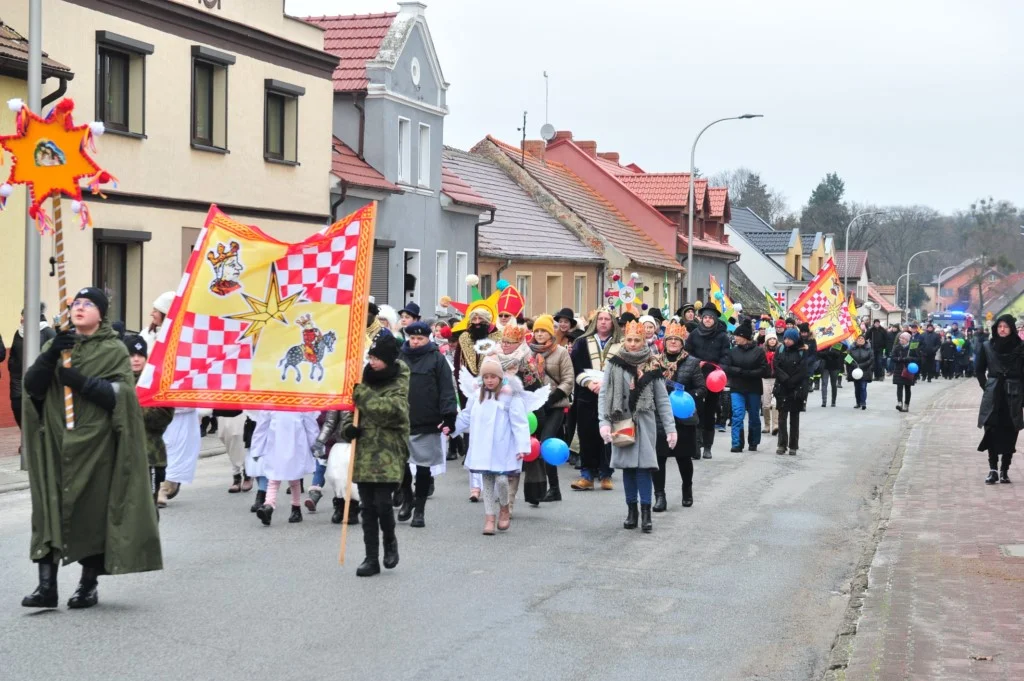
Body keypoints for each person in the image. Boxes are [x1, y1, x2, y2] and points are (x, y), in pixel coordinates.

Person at [21, 287, 161, 609]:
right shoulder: (57, 344)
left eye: (87, 304)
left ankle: (87, 585)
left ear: (101, 313)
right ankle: (47, 587)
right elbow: (33, 388)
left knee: (92, 512)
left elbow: (122, 396)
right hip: (57, 439)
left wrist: (81, 382)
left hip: (97, 445)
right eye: (76, 304)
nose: (79, 308)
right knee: (50, 508)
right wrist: (51, 354)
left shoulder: (113, 349)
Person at [323, 329, 410, 577]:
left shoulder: (398, 381)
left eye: (375, 358)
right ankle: (370, 558)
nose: (371, 362)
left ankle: (390, 543)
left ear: (387, 359)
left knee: (383, 504)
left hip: (388, 452)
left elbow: (392, 411)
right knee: (367, 508)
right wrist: (348, 427)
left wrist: (362, 394)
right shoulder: (365, 378)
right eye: (370, 358)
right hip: (363, 453)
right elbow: (352, 409)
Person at [599, 320, 676, 533]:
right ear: (625, 340)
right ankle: (631, 511)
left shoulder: (653, 363)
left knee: (644, 467)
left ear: (644, 341)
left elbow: (662, 400)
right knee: (628, 469)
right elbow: (605, 395)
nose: (632, 344)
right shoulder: (614, 363)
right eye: (629, 339)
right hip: (621, 420)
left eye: (637, 340)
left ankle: (646, 514)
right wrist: (604, 423)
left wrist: (671, 428)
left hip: (645, 422)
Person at [454, 355, 531, 533]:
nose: (489, 381)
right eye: (486, 377)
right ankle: (489, 517)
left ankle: (504, 507)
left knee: (502, 480)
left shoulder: (510, 396)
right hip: (482, 446)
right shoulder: (476, 395)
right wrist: (451, 428)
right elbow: (466, 416)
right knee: (487, 480)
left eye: (493, 377)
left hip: (502, 447)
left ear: (500, 377)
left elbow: (519, 423)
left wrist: (522, 447)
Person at [397, 321, 457, 528]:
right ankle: (407, 499)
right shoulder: (399, 356)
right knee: (400, 464)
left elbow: (446, 388)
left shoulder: (436, 359)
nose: (415, 342)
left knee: (423, 467)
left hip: (427, 419)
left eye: (419, 338)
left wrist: (449, 415)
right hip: (400, 419)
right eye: (412, 338)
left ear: (427, 339)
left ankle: (419, 509)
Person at [569, 309, 621, 491]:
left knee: (607, 435)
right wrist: (590, 383)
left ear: (613, 323)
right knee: (587, 434)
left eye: (607, 319)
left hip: (611, 395)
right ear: (594, 322)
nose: (604, 322)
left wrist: (606, 386)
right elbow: (576, 367)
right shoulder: (581, 342)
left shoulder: (620, 344)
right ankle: (587, 474)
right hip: (587, 395)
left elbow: (624, 369)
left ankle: (606, 474)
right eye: (600, 319)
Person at [654, 322, 703, 510]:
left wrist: (686, 396)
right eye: (670, 340)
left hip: (684, 417)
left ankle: (687, 489)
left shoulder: (692, 362)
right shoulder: (655, 361)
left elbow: (702, 389)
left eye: (677, 340)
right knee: (659, 457)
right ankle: (660, 496)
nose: (673, 342)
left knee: (683, 457)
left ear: (683, 343)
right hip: (660, 417)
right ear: (664, 343)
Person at [525, 314, 574, 503]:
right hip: (534, 408)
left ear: (550, 332)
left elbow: (569, 379)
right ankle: (535, 490)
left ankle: (554, 488)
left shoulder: (561, 352)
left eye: (543, 331)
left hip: (555, 405)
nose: (539, 334)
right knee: (533, 446)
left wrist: (552, 397)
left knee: (546, 443)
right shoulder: (527, 352)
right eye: (536, 330)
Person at [125, 335, 174, 511]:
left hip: (151, 456)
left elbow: (164, 416)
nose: (136, 359)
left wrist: (134, 409)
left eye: (140, 355)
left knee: (149, 510)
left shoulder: (156, 382)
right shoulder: (117, 381)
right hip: (124, 456)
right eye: (131, 355)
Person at [976, 314, 1023, 484]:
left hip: (1014, 393)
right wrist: (987, 386)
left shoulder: (1020, 347)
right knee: (991, 430)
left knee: (1011, 430)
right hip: (993, 394)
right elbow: (979, 370)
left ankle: (1005, 470)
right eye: (999, 326)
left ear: (1011, 328)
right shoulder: (988, 346)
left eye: (1006, 326)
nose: (1002, 329)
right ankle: (993, 469)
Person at [251, 410, 318, 526]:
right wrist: (257, 448)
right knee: (274, 477)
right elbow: (262, 426)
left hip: (295, 446)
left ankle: (295, 508)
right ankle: (269, 506)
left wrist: (316, 445)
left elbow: (311, 426)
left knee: (293, 478)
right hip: (276, 446)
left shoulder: (302, 403)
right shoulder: (271, 404)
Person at [684, 302, 731, 459]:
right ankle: (696, 445)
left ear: (715, 319)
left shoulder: (722, 336)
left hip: (714, 378)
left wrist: (719, 368)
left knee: (710, 411)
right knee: (696, 410)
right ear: (701, 319)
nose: (708, 320)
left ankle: (708, 446)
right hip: (696, 377)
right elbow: (687, 353)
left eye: (711, 317)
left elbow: (726, 357)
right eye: (705, 317)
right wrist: (697, 362)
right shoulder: (694, 335)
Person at [8, 304, 56, 431]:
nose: (22, 319)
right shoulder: (18, 333)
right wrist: (13, 367)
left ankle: (34, 440)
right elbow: (13, 353)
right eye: (22, 316)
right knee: (17, 407)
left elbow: (55, 355)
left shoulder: (48, 332)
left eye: (24, 316)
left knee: (36, 410)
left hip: (38, 380)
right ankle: (25, 436)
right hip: (18, 379)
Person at [726, 319, 769, 452]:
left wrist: (749, 373)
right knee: (737, 415)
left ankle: (753, 442)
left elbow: (764, 369)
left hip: (753, 388)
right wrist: (738, 371)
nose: (735, 338)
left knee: (754, 415)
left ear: (744, 337)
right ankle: (736, 443)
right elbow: (727, 367)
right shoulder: (733, 351)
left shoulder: (758, 351)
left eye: (737, 336)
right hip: (737, 387)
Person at [772, 328, 808, 456]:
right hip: (782, 387)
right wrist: (785, 379)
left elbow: (803, 370)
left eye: (790, 339)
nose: (787, 341)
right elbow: (776, 366)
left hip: (796, 389)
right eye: (785, 338)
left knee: (794, 418)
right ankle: (781, 444)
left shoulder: (802, 352)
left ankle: (793, 445)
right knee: (782, 418)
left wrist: (792, 381)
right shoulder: (780, 350)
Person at [891, 332, 920, 412]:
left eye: (903, 338)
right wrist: (900, 359)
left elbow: (917, 358)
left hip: (909, 370)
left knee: (907, 388)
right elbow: (893, 357)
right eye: (900, 338)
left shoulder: (912, 348)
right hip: (899, 370)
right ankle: (899, 403)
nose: (901, 340)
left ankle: (906, 405)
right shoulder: (897, 347)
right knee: (899, 386)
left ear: (907, 340)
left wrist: (910, 358)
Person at [761, 333, 780, 435]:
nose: (772, 340)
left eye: (774, 339)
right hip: (765, 379)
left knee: (775, 403)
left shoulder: (780, 351)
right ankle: (767, 425)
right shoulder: (762, 352)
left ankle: (775, 425)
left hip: (777, 379)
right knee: (766, 404)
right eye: (770, 339)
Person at [848, 335, 874, 409]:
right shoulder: (852, 348)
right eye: (859, 339)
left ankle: (863, 403)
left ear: (864, 340)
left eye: (862, 338)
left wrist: (862, 365)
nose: (860, 340)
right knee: (857, 388)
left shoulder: (868, 349)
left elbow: (871, 359)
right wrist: (854, 365)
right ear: (856, 340)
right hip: (855, 371)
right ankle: (858, 402)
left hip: (865, 370)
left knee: (863, 387)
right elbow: (847, 358)